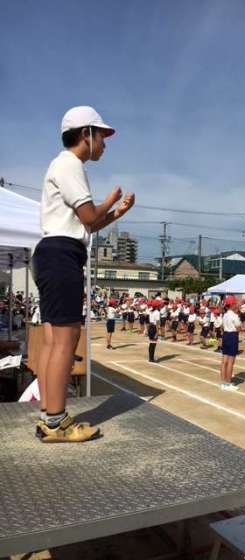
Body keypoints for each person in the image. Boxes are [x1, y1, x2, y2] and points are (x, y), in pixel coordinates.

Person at [32, 105, 135, 443]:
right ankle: (57, 422)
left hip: (53, 252)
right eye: (101, 136)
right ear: (85, 134)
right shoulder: (70, 165)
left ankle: (49, 415)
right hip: (62, 254)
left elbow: (87, 225)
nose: (104, 144)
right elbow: (90, 217)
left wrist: (116, 212)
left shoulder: (61, 165)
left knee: (52, 340)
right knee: (66, 339)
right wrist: (109, 200)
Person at [219, 295, 240, 391]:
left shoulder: (225, 315)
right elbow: (238, 327)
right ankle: (228, 383)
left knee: (224, 361)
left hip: (226, 335)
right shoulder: (234, 315)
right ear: (232, 304)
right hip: (232, 336)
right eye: (235, 303)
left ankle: (223, 382)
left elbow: (222, 327)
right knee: (231, 362)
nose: (236, 304)